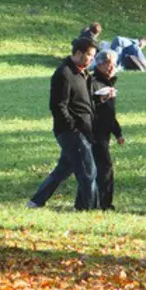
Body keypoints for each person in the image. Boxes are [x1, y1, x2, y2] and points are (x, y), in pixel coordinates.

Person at [28, 36, 98, 210]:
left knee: (62, 170)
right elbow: (58, 106)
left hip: (83, 130)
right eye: (90, 55)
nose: (92, 59)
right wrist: (73, 127)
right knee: (88, 171)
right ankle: (90, 209)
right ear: (79, 53)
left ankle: (36, 202)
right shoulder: (64, 73)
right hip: (71, 132)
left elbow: (83, 101)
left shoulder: (84, 74)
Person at [87, 49, 125, 209]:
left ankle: (91, 202)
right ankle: (103, 204)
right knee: (104, 167)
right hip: (94, 131)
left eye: (113, 64)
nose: (111, 67)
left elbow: (110, 113)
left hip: (105, 132)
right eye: (107, 64)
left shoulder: (108, 84)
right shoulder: (93, 81)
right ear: (99, 64)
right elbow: (86, 105)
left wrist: (118, 133)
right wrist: (100, 99)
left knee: (92, 168)